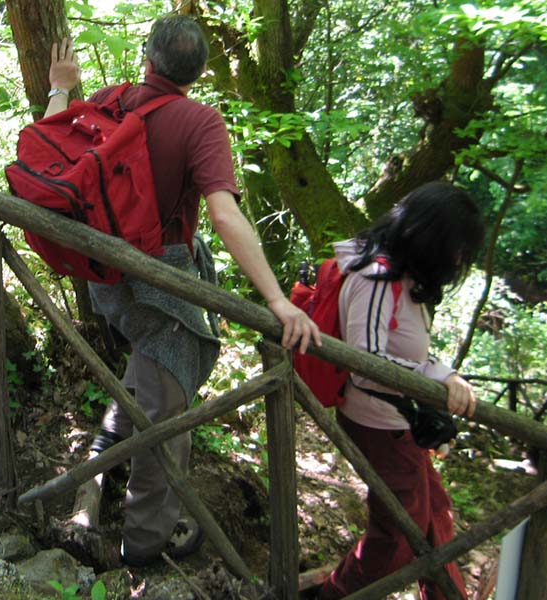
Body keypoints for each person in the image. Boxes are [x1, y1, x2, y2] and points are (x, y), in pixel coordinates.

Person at [43, 17, 321, 566]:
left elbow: (51, 163)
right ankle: (145, 544)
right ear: (199, 72)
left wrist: (60, 86)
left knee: (152, 369)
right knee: (170, 418)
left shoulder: (111, 101)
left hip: (108, 276)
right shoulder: (200, 122)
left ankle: (105, 450)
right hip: (161, 283)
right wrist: (277, 299)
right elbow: (224, 212)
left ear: (147, 56)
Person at [319, 181, 483, 599]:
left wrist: (438, 378)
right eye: (458, 248)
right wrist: (439, 377)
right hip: (379, 424)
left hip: (395, 421)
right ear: (433, 238)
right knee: (399, 536)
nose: (459, 260)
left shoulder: (399, 273)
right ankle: (337, 595)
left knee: (434, 517)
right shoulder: (377, 276)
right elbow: (364, 363)